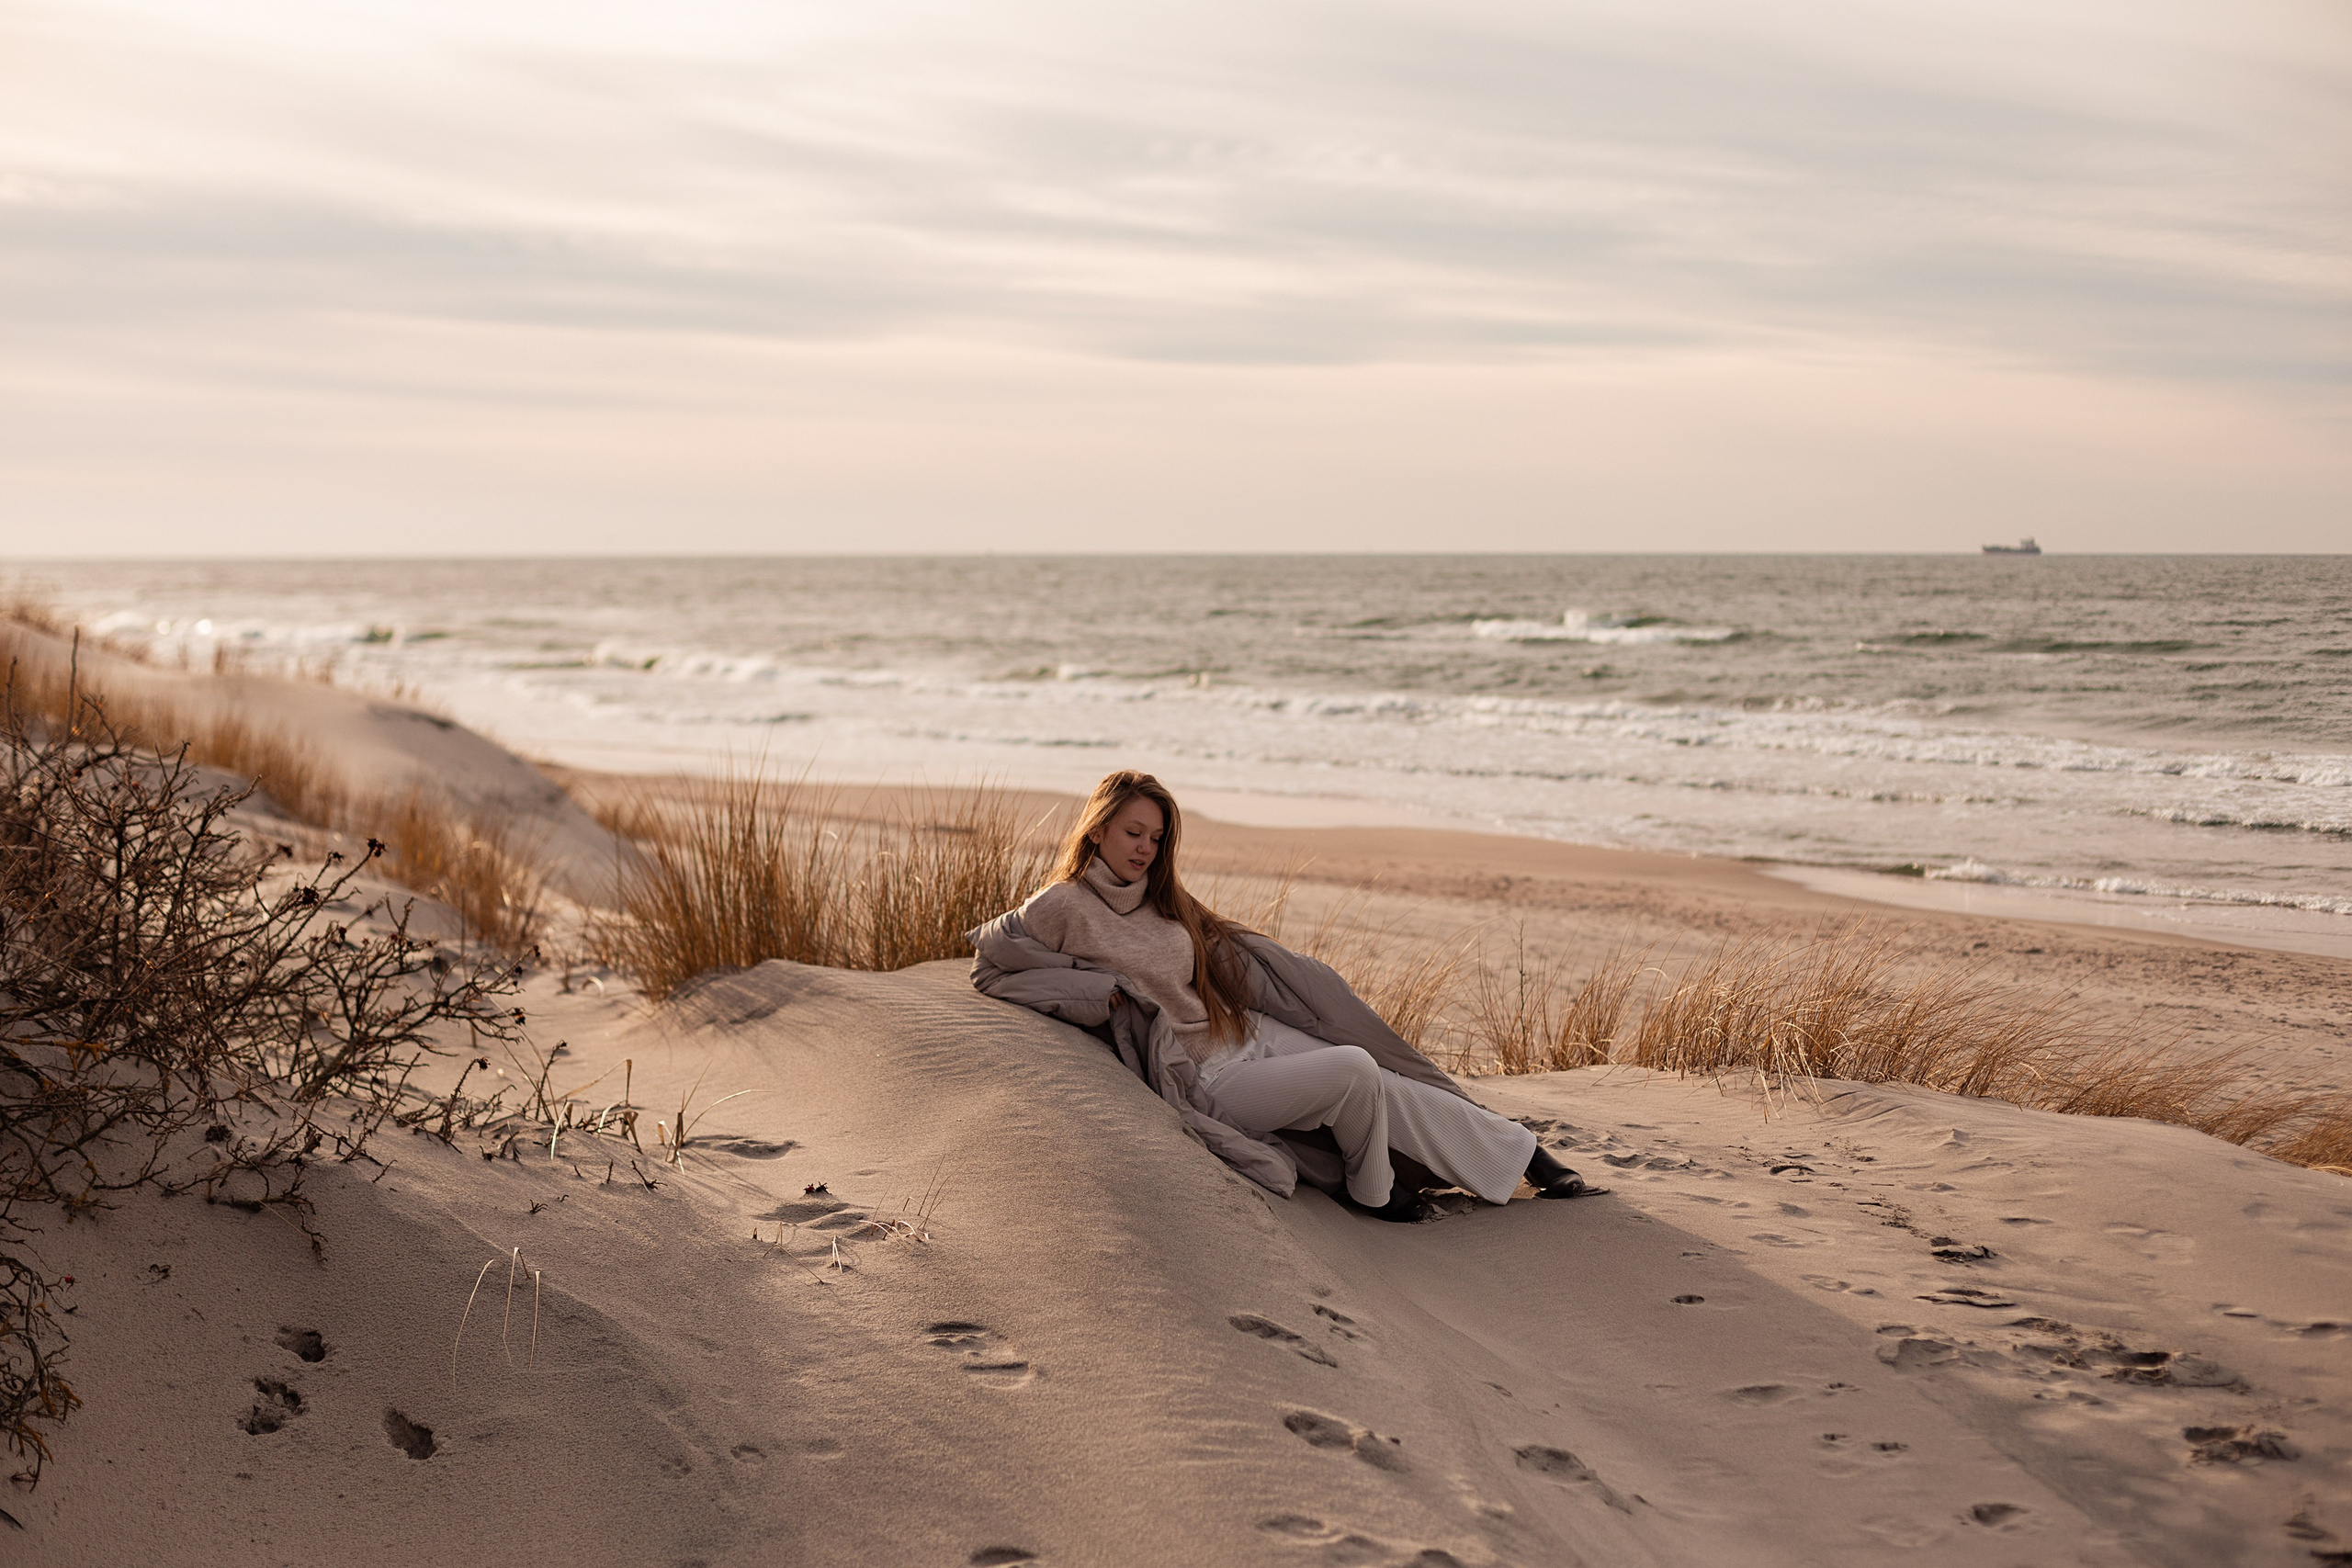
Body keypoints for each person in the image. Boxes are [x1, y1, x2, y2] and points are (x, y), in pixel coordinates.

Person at [967, 770, 1603, 1221]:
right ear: (1098, 828)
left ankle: (1525, 1155)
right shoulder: (1062, 905)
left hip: (1245, 1033)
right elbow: (991, 963)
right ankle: (1373, 1193)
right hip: (1206, 1075)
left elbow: (1221, 957)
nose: (1146, 849)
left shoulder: (1164, 898)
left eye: (1156, 838)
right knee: (1355, 1072)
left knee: (1388, 1077)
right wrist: (1092, 990)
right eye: (1134, 832)